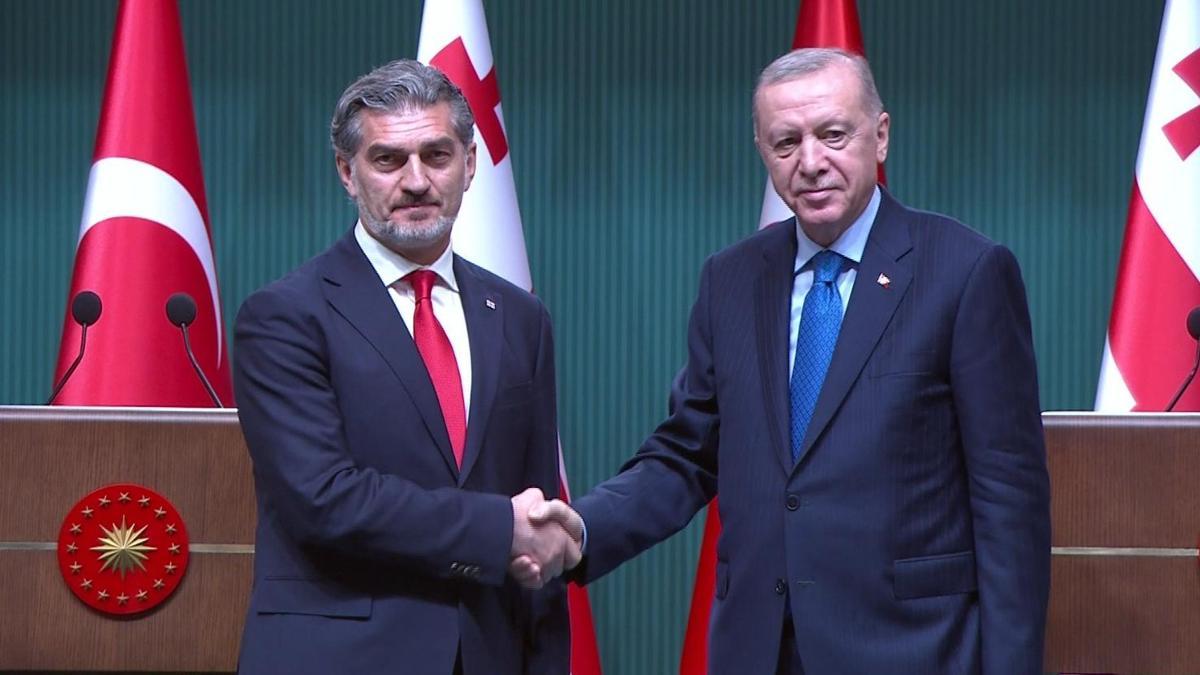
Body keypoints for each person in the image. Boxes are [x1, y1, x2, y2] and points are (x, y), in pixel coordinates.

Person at [523, 48, 1051, 674]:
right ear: (762, 150)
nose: (811, 162)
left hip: (912, 650)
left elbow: (1008, 498)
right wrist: (581, 529)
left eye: (833, 135)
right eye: (786, 142)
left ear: (880, 135)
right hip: (758, 648)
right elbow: (688, 453)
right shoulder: (731, 279)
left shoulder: (965, 272)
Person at [233, 59, 576, 675]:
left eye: (437, 156)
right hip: (340, 659)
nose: (416, 181)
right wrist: (498, 529)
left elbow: (537, 510)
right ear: (347, 172)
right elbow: (324, 499)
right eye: (388, 160)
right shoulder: (284, 316)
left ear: (470, 163)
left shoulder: (521, 316)